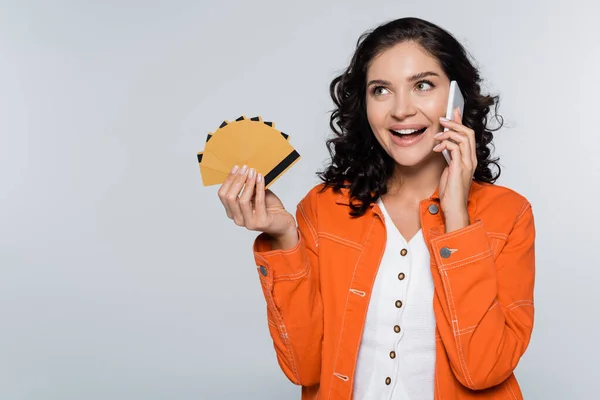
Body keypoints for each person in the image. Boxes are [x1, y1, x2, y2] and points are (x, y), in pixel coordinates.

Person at [217, 17, 535, 400]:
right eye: (381, 90)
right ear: (364, 105)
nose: (401, 110)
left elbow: (483, 370)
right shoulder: (322, 207)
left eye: (422, 85)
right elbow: (304, 367)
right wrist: (284, 238)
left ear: (456, 98)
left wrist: (458, 219)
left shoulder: (510, 215)